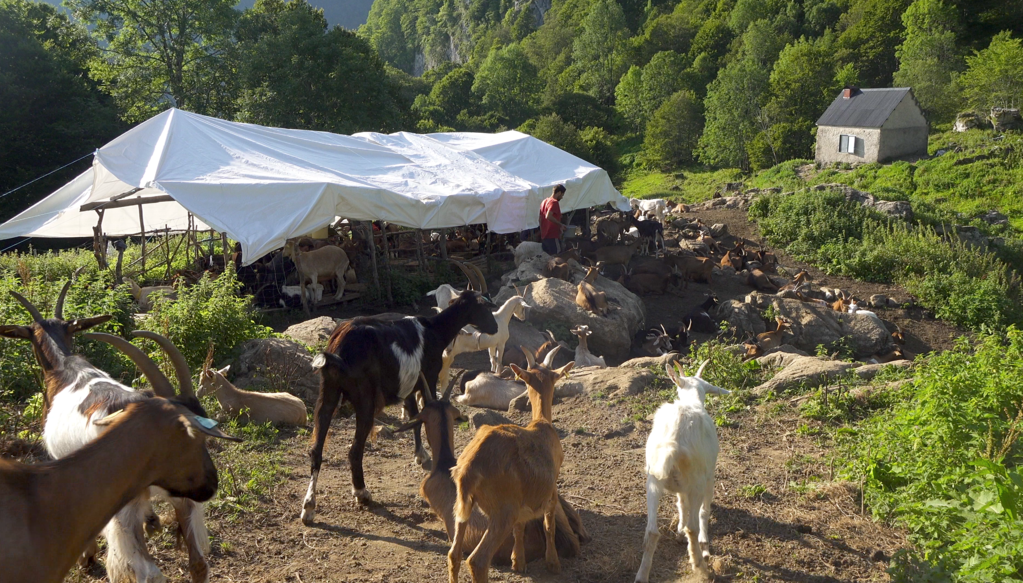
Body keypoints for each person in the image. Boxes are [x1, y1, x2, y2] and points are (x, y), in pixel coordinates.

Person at [539, 184, 567, 255]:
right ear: (559, 192)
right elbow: (548, 216)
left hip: (544, 236)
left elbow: (540, 219)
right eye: (562, 195)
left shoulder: (544, 202)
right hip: (552, 236)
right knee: (556, 257)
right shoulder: (554, 202)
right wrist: (560, 224)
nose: (562, 197)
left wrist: (543, 231)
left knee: (547, 259)